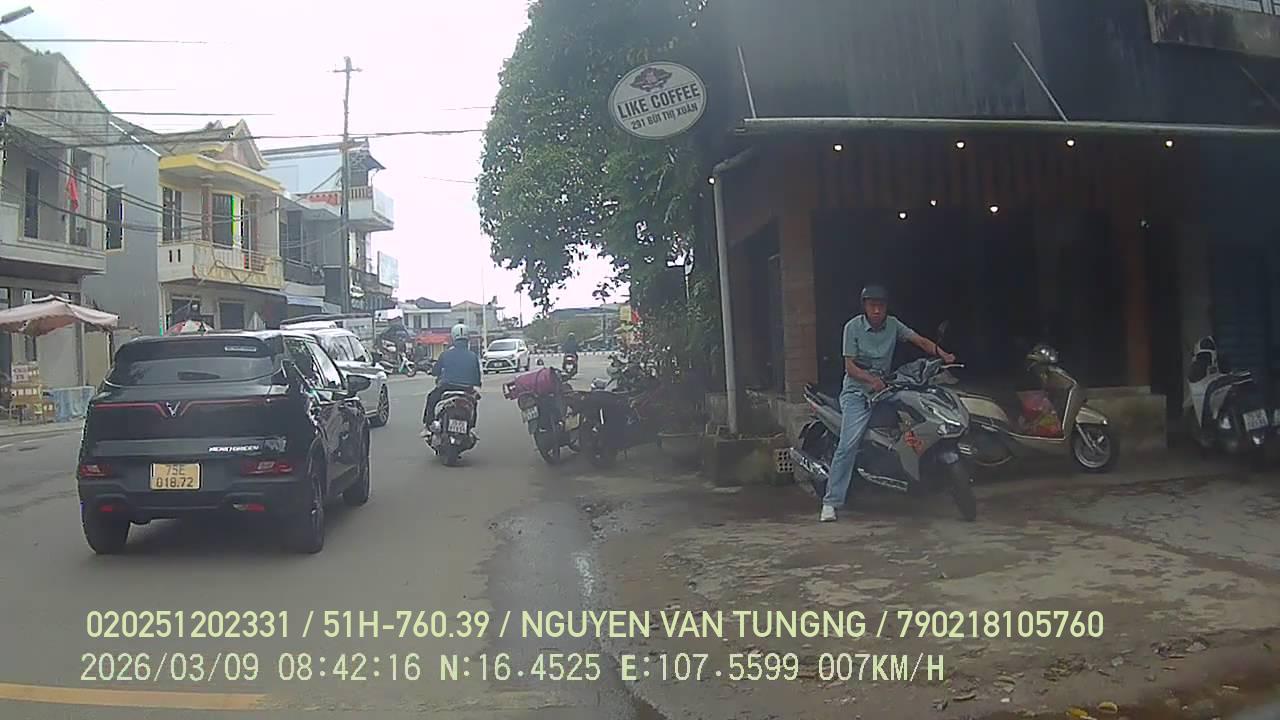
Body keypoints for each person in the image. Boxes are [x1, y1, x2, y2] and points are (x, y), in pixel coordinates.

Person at [821, 284, 955, 523]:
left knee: (917, 413)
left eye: (881, 306)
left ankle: (917, 478)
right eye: (872, 305)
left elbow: (919, 340)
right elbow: (850, 367)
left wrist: (943, 355)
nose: (876, 310)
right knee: (848, 444)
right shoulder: (852, 327)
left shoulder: (893, 325)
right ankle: (831, 502)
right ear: (864, 307)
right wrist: (870, 380)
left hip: (887, 388)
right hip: (857, 393)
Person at [423, 323, 483, 426]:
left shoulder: (445, 354)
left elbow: (435, 371)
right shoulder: (473, 356)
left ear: (453, 339)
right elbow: (477, 378)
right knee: (473, 403)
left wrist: (433, 372)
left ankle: (429, 424)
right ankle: (470, 425)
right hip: (467, 389)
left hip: (447, 387)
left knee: (431, 398)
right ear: (467, 339)